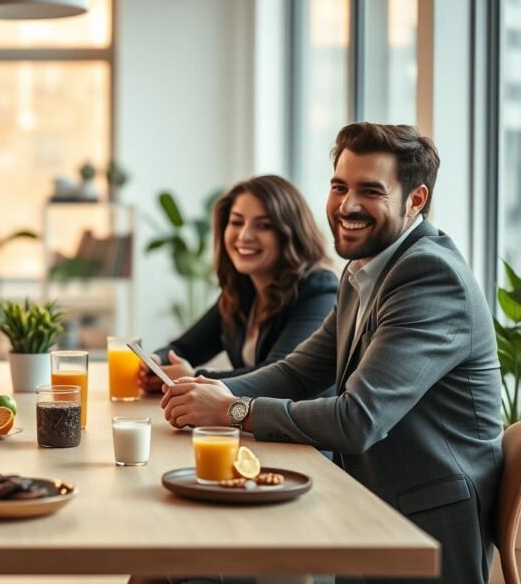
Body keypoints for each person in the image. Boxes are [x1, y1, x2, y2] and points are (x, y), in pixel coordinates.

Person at [162, 123, 502, 584]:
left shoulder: (428, 275)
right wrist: (210, 391)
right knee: (175, 566)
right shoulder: (365, 268)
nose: (347, 206)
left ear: (416, 200)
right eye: (339, 186)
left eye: (370, 191)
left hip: (421, 533)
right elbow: (298, 372)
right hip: (362, 506)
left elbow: (357, 419)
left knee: (187, 570)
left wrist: (234, 410)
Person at [139, 175, 337, 391]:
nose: (244, 235)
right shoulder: (242, 291)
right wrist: (156, 364)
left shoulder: (319, 291)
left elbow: (279, 375)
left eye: (263, 225)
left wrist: (196, 376)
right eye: (236, 222)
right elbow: (183, 348)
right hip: (249, 423)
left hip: (301, 424)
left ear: (290, 234)